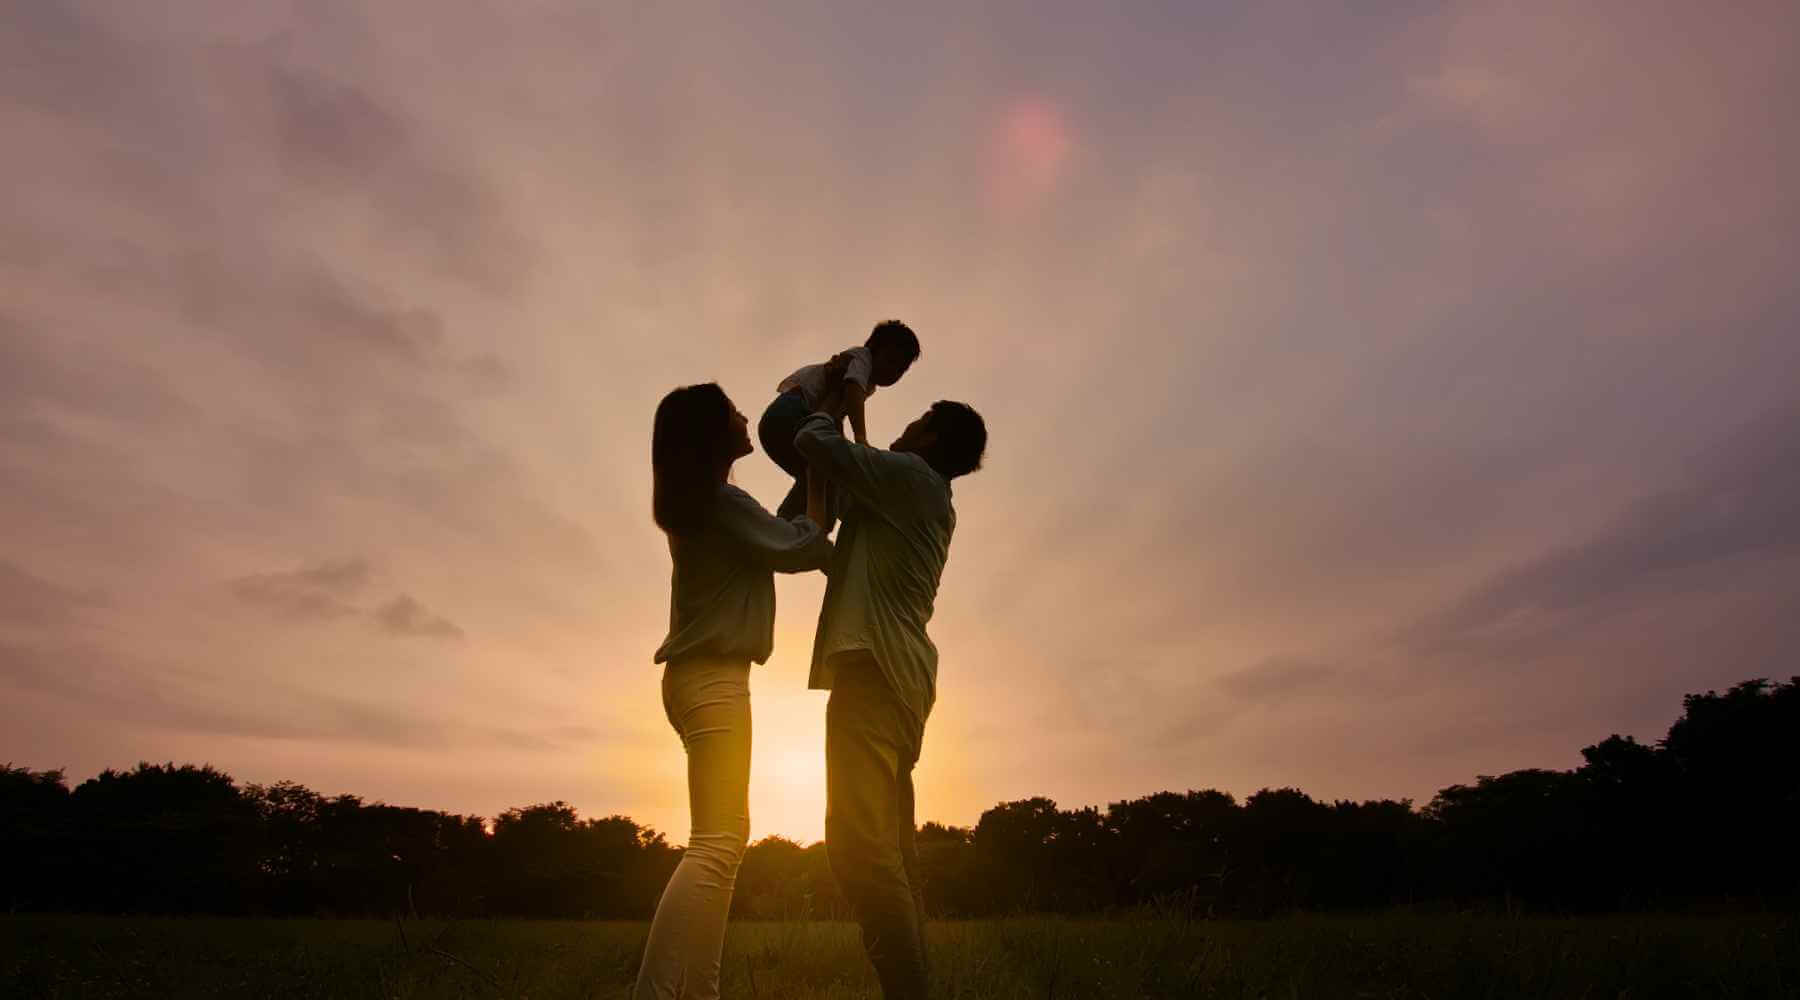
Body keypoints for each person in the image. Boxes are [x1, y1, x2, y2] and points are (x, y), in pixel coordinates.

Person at [635, 382, 834, 1000]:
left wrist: (811, 485)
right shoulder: (722, 503)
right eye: (733, 410)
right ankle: (658, 993)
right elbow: (801, 546)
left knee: (723, 842)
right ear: (711, 433)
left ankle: (701, 991)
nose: (747, 415)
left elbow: (779, 530)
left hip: (698, 681)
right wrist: (826, 469)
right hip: (714, 681)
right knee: (716, 845)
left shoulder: (710, 505)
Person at [793, 397, 987, 1000]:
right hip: (900, 680)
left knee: (858, 851)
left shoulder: (909, 477)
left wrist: (827, 400)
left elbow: (813, 441)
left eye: (919, 417)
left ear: (928, 437)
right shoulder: (913, 495)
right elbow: (835, 547)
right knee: (895, 857)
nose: (906, 423)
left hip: (874, 673)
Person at [759, 319, 922, 523]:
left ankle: (796, 525)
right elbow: (852, 391)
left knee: (821, 478)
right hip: (790, 412)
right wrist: (860, 437)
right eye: (890, 361)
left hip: (784, 422)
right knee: (827, 472)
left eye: (900, 370)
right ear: (872, 348)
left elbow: (835, 418)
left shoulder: (867, 382)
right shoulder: (861, 359)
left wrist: (842, 446)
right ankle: (797, 523)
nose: (892, 372)